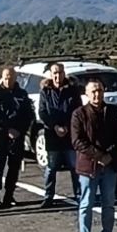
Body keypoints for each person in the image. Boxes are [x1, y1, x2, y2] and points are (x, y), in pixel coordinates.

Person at [71, 79, 117, 232]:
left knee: (108, 203)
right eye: (93, 91)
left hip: (109, 166)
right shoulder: (79, 114)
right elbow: (77, 141)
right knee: (86, 203)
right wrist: (99, 155)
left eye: (100, 90)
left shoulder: (112, 111)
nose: (97, 94)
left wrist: (110, 155)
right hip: (88, 167)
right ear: (86, 94)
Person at [0, 66, 35, 209]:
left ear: (15, 77)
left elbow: (28, 114)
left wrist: (20, 130)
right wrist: (7, 130)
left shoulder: (22, 94)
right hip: (1, 136)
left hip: (18, 136)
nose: (8, 79)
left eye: (11, 77)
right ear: (2, 77)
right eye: (6, 77)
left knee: (14, 167)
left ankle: (9, 195)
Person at [35, 62, 80, 206]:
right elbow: (42, 112)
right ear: (51, 74)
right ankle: (48, 197)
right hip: (52, 135)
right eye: (54, 73)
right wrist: (55, 127)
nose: (57, 76)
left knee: (75, 167)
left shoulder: (72, 90)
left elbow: (77, 110)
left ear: (64, 73)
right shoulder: (45, 91)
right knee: (51, 168)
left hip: (69, 135)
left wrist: (67, 127)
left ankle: (79, 195)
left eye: (60, 72)